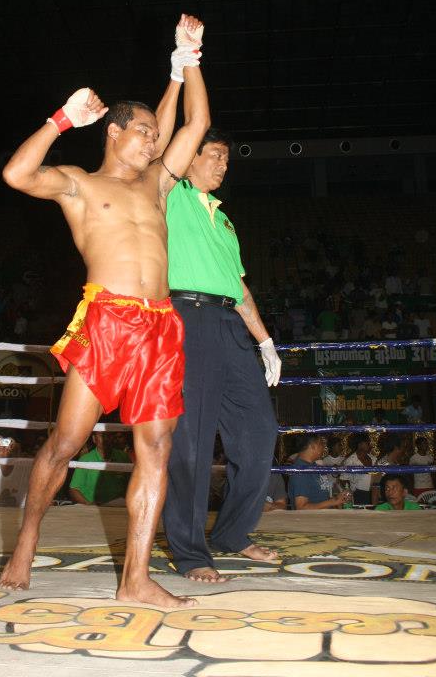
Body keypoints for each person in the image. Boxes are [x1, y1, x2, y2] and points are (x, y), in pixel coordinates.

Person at [0, 15, 210, 608]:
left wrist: (187, 60)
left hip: (160, 325)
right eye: (143, 132)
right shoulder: (80, 184)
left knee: (157, 447)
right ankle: (28, 537)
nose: (153, 142)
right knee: (65, 443)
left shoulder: (158, 185)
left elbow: (196, 122)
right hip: (108, 322)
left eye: (154, 134)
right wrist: (61, 120)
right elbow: (16, 174)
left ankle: (136, 578)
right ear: (114, 133)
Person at [160, 127, 281, 582]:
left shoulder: (225, 221)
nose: (223, 164)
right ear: (189, 156)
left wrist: (265, 342)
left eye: (227, 158)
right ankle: (190, 552)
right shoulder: (171, 195)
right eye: (214, 154)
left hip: (231, 325)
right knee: (191, 438)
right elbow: (180, 134)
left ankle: (232, 533)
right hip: (186, 316)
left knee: (259, 430)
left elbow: (240, 288)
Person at [287, 435, 351, 510]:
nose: (324, 447)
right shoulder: (301, 471)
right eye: (321, 444)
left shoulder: (313, 466)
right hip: (312, 517)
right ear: (313, 446)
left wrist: (337, 500)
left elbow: (320, 498)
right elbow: (301, 508)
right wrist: (334, 501)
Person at [69, 432, 131, 505]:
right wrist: (89, 504)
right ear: (94, 439)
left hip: (119, 506)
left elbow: (132, 484)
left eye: (108, 435)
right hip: (92, 507)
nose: (105, 438)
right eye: (101, 435)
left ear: (112, 438)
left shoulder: (123, 457)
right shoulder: (85, 459)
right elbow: (74, 489)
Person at [342, 435, 376, 506]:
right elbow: (343, 479)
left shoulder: (373, 458)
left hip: (373, 492)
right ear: (359, 444)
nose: (369, 445)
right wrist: (350, 493)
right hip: (357, 494)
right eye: (367, 443)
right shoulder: (350, 461)